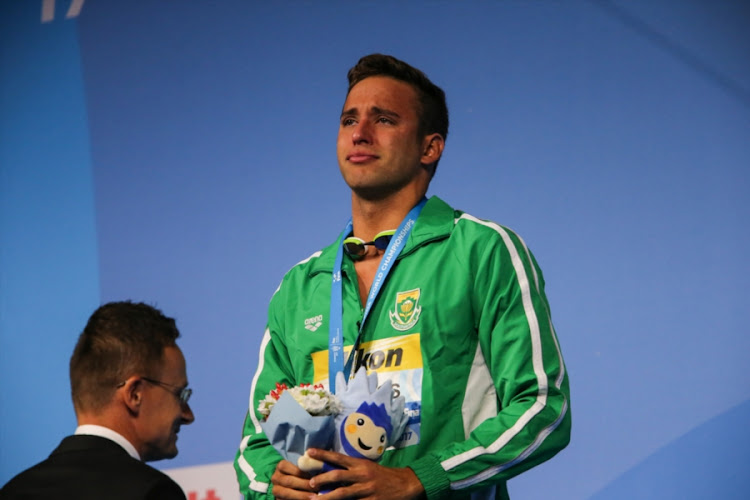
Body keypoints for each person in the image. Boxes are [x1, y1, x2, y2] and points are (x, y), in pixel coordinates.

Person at [234, 54, 571, 500]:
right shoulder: (301, 286)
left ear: (429, 147)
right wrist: (274, 486)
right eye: (349, 119)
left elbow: (544, 408)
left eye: (384, 119)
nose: (359, 132)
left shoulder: (479, 250)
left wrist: (420, 478)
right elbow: (256, 445)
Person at [0, 301, 195, 500]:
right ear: (135, 394)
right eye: (180, 394)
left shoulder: (13, 491)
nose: (189, 415)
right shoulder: (152, 492)